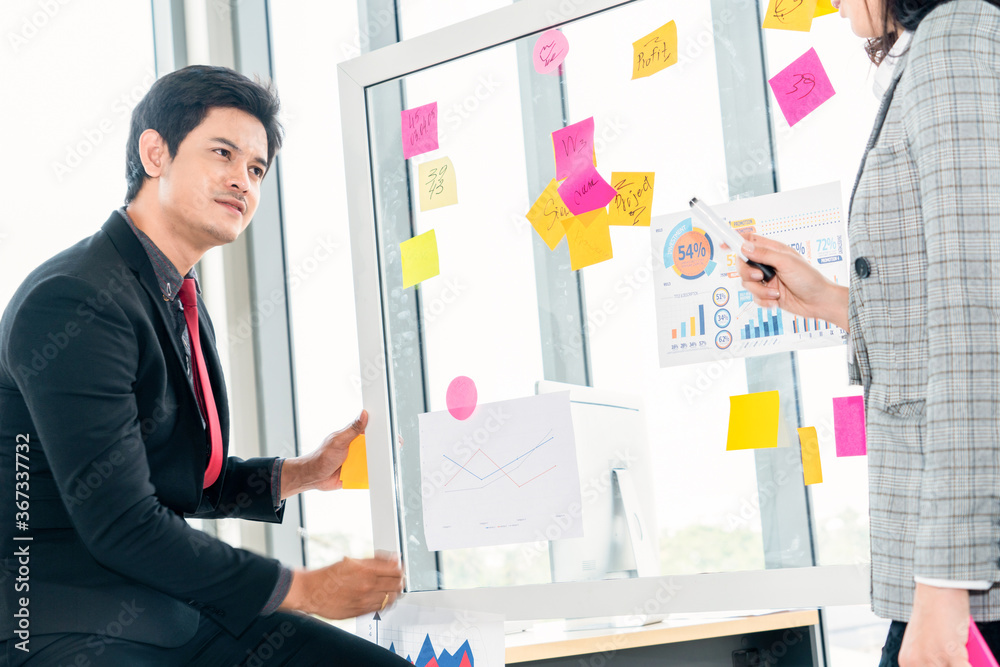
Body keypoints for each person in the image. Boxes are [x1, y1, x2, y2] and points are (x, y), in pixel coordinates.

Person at [0, 65, 409, 665]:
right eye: (224, 153)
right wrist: (306, 588)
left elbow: (180, 479)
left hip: (172, 614)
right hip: (66, 624)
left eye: (256, 169)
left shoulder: (174, 297)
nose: (243, 181)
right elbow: (120, 523)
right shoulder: (78, 298)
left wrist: (300, 473)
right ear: (155, 152)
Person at [735, 0, 1000, 665]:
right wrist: (826, 299)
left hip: (966, 583)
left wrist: (945, 582)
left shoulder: (956, 38)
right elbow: (943, 311)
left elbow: (977, 321)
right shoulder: (954, 42)